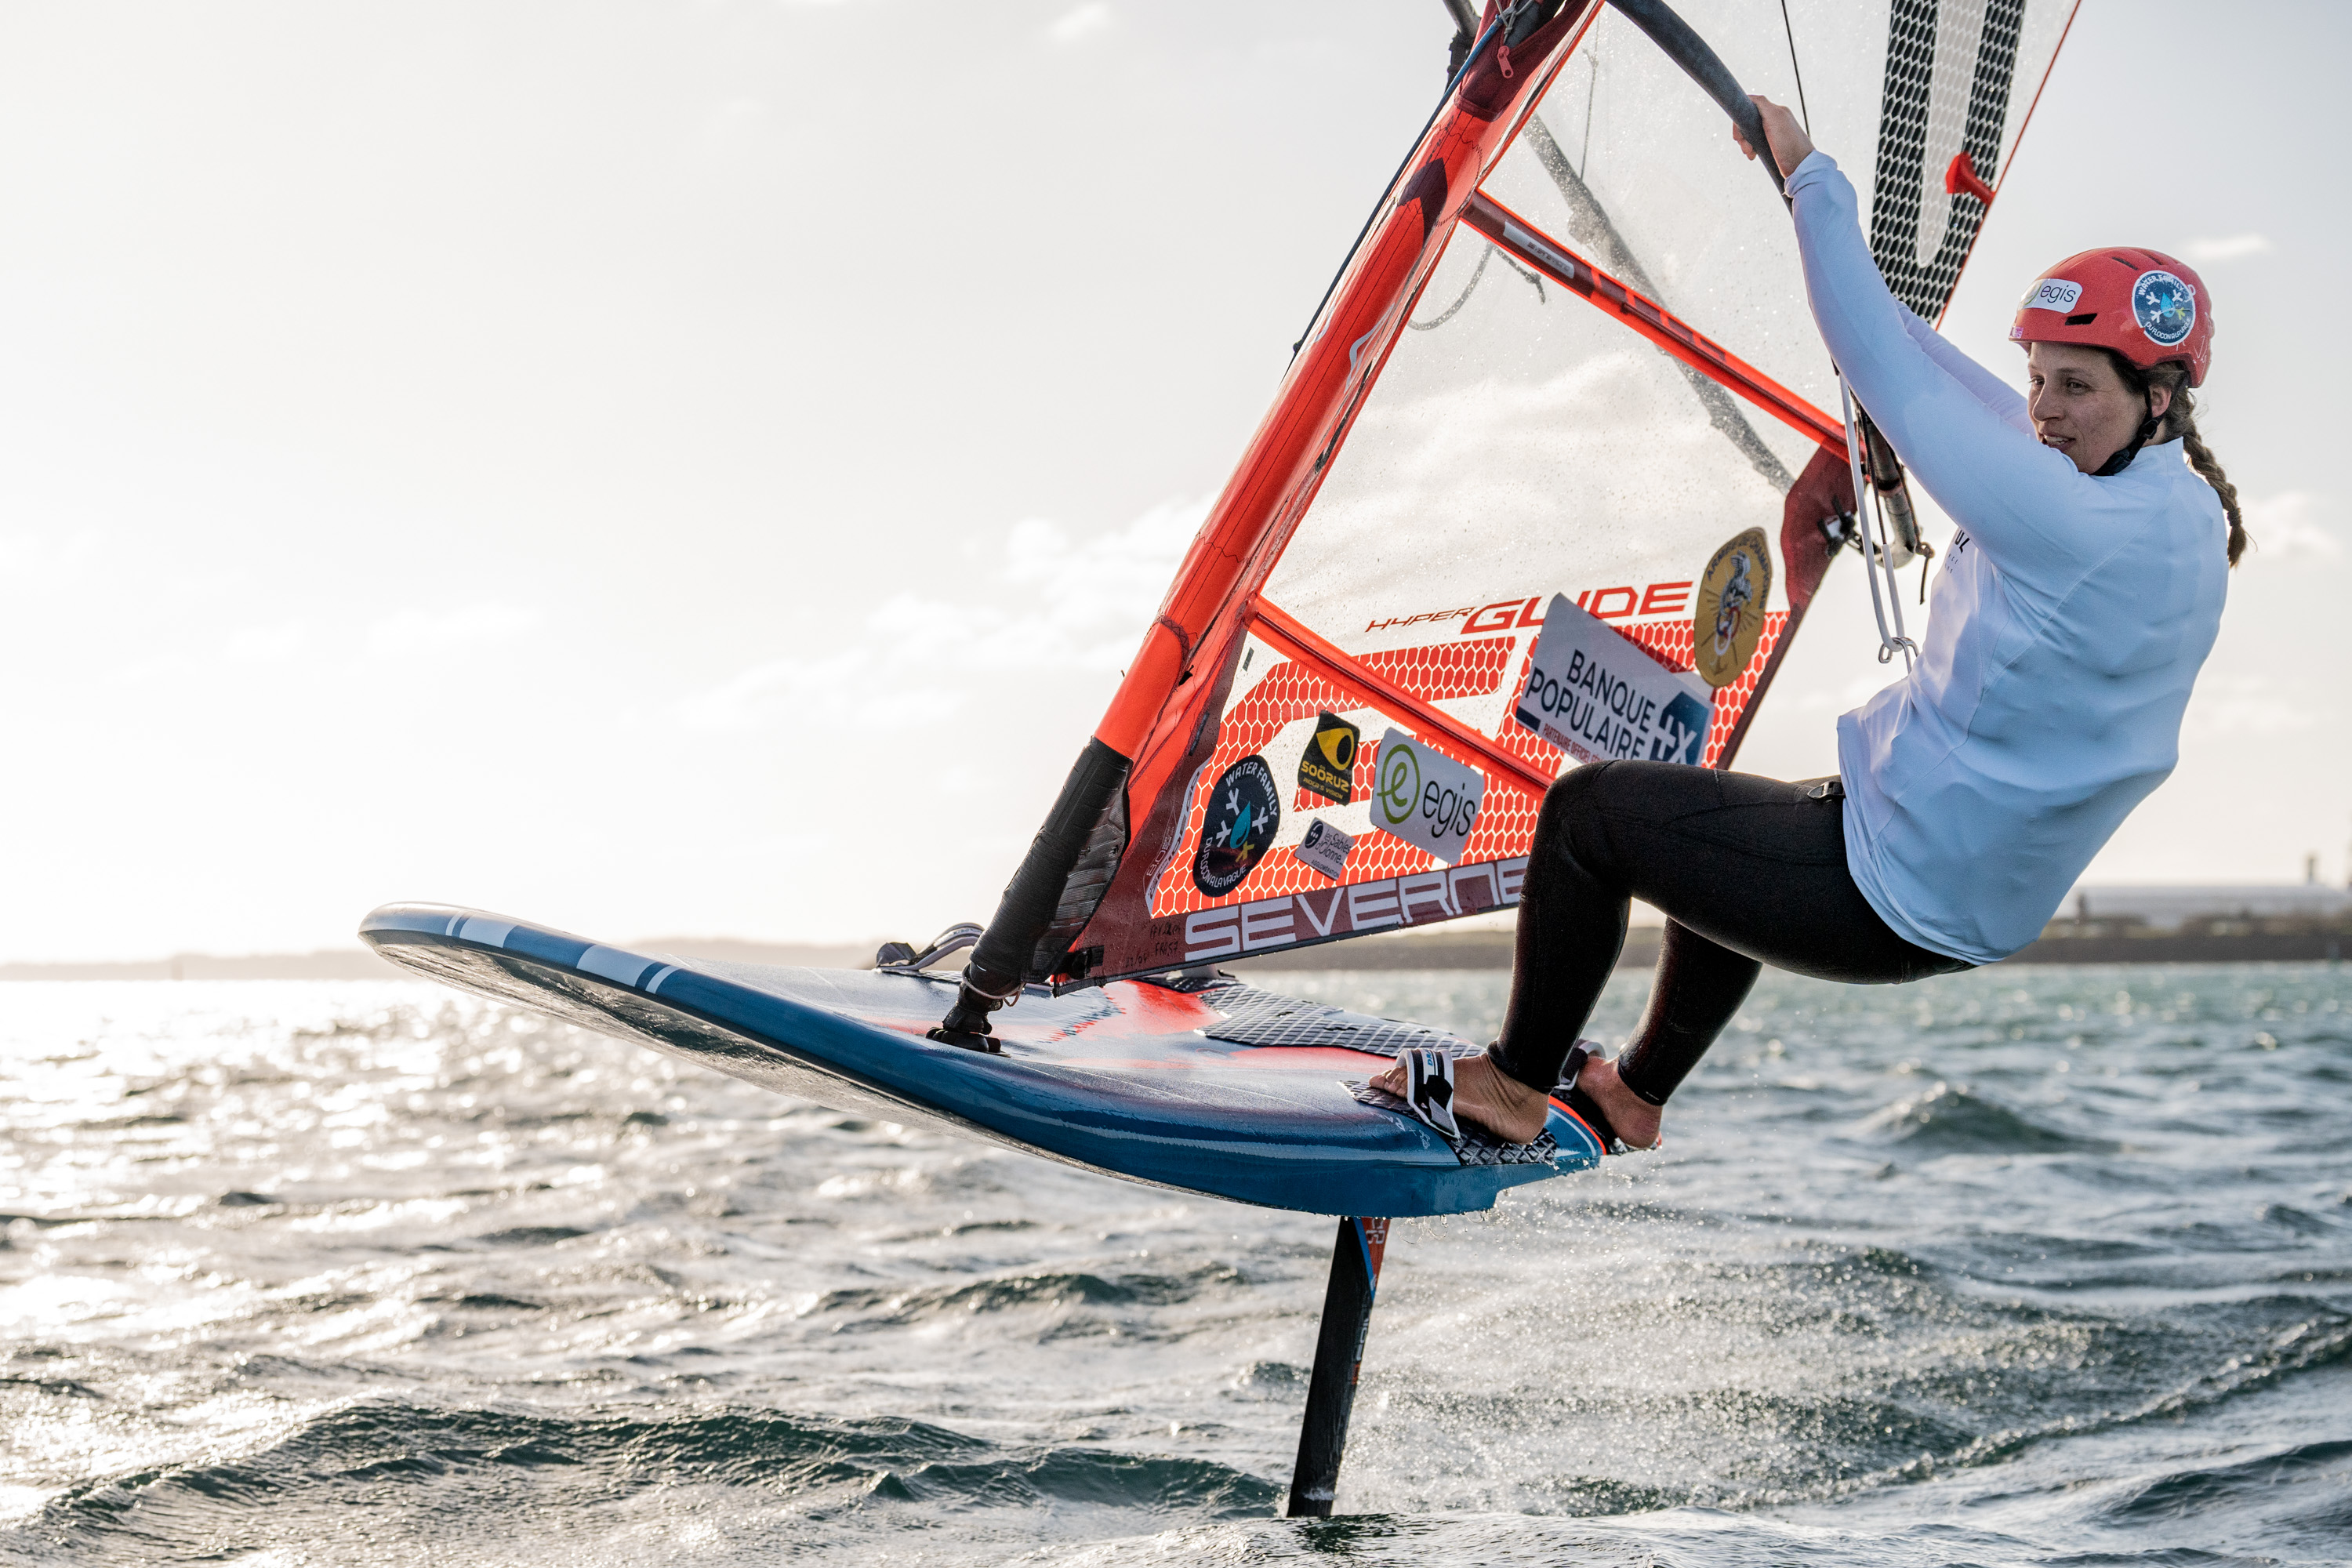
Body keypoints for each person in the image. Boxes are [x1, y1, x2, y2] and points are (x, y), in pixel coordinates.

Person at [1373, 96, 2246, 1150]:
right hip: (1959, 879)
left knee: (1589, 820)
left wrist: (1808, 177)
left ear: (2157, 397)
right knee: (1721, 829)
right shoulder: (2179, 505)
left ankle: (1509, 1086)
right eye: (2038, 381)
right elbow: (1927, 367)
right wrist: (1813, 224)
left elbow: (1880, 361)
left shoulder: (2076, 519)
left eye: (2074, 386)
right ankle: (1635, 1092)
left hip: (1898, 887)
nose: (2043, 410)